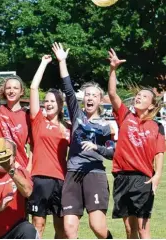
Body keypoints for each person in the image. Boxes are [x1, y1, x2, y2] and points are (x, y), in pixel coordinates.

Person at [52, 42, 114, 239]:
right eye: (87, 95)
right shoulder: (77, 114)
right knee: (69, 229)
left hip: (94, 175)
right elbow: (68, 89)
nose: (89, 98)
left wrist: (96, 146)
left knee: (97, 227)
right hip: (73, 174)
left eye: (94, 95)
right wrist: (62, 61)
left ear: (100, 100)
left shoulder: (106, 126)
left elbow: (112, 153)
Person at [107, 48, 166, 239]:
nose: (139, 97)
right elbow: (112, 93)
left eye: (144, 96)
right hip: (122, 177)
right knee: (129, 228)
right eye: (138, 95)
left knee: (143, 229)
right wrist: (113, 69)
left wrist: (157, 175)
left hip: (142, 179)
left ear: (151, 104)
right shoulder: (125, 115)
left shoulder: (156, 126)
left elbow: (159, 153)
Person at [28, 55, 69, 238]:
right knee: (38, 224)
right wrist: (43, 63)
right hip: (39, 179)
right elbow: (34, 87)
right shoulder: (38, 121)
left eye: (54, 101)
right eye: (47, 101)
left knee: (61, 227)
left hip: (61, 180)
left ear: (60, 106)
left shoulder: (68, 128)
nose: (49, 103)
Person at [0, 75, 31, 169]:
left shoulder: (27, 115)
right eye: (8, 88)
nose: (11, 91)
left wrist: (29, 167)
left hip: (19, 167)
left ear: (22, 92)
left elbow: (33, 146)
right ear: (4, 91)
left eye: (15, 88)